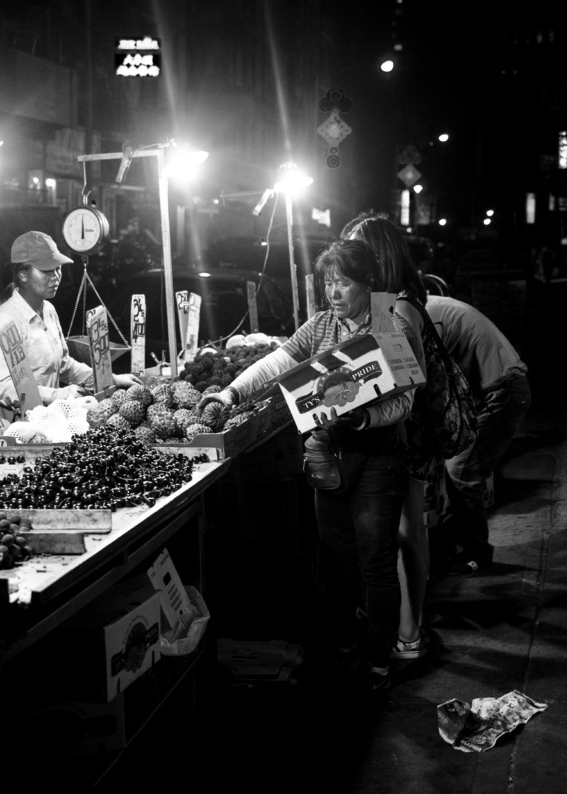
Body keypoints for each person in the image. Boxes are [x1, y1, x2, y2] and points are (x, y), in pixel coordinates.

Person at [199, 230, 427, 691]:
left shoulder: (388, 322)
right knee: (339, 560)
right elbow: (279, 361)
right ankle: (345, 647)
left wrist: (364, 419)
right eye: (328, 283)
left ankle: (378, 662)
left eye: (344, 283)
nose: (334, 293)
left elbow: (407, 402)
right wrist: (230, 392)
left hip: (377, 459)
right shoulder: (321, 325)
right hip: (326, 456)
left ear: (367, 282)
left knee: (376, 561)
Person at [341, 212, 434, 662]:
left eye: (357, 248)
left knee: (405, 532)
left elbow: (402, 381)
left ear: (377, 255)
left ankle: (409, 633)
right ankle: (404, 627)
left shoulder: (393, 306)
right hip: (397, 429)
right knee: (401, 532)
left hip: (406, 429)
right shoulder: (390, 300)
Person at [0, 231, 142, 442]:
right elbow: (2, 387)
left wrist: (113, 379)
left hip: (41, 426)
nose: (55, 276)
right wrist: (55, 395)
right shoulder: (6, 320)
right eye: (46, 270)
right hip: (6, 434)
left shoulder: (48, 310)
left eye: (58, 268)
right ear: (23, 275)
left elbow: (64, 365)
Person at [425, 295, 532, 575]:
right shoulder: (430, 306)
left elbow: (432, 376)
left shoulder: (424, 316)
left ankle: (476, 554)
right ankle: (456, 548)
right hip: (499, 391)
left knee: (460, 471)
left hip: (502, 393)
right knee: (457, 469)